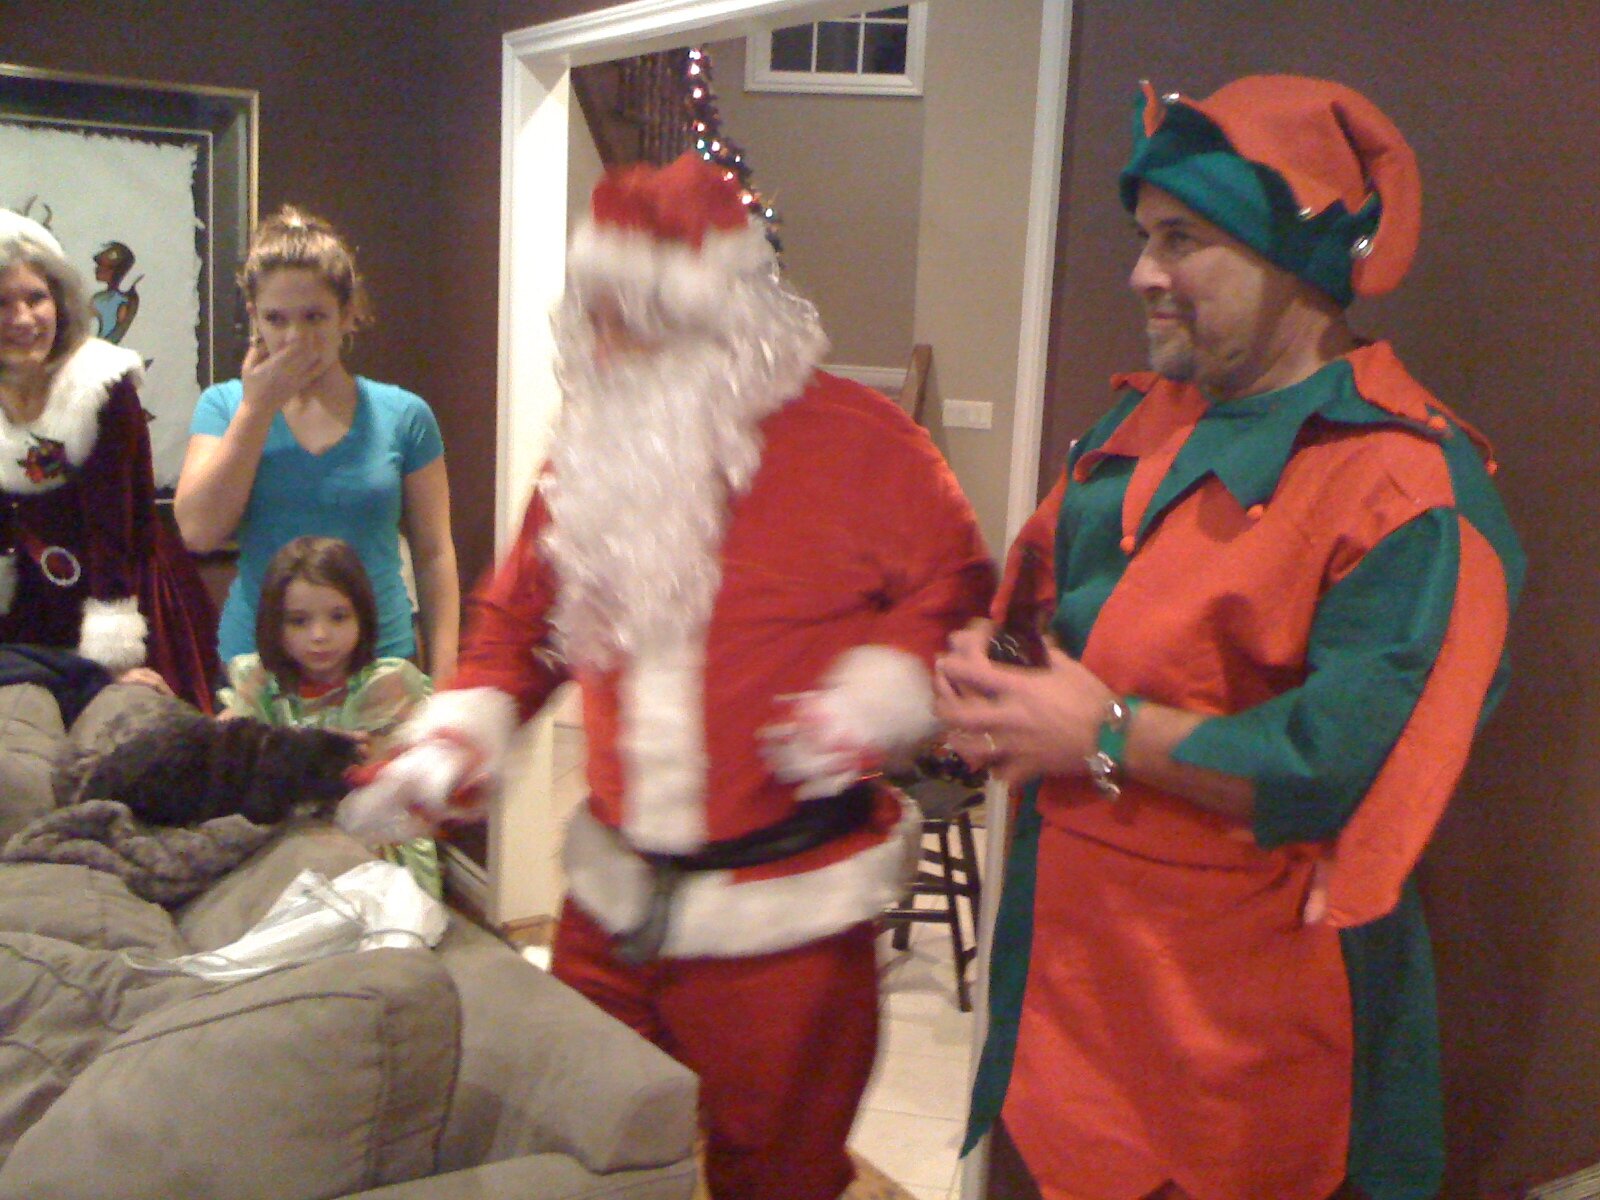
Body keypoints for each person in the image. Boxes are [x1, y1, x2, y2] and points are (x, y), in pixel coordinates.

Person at [338, 153, 995, 1200]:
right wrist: (459, 732)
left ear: (722, 321)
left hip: (785, 922)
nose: (606, 348)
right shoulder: (592, 455)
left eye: (635, 320)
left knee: (776, 1177)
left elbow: (954, 595)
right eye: (595, 318)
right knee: (587, 1154)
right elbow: (523, 622)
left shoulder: (866, 445)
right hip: (609, 905)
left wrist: (878, 697)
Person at [935, 76, 1526, 1200]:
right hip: (1067, 1010)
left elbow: (1340, 765)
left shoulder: (1409, 491)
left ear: (1293, 262)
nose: (1141, 273)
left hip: (1238, 1051)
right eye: (1143, 237)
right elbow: (1043, 622)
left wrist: (1102, 732)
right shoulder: (1138, 425)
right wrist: (982, 694)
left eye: (1183, 239)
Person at [173, 206, 459, 680]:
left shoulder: (405, 415)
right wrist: (256, 409)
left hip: (381, 666)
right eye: (276, 318)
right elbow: (199, 531)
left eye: (314, 317)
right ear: (254, 318)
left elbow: (434, 554)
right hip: (260, 668)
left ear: (347, 315)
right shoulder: (224, 407)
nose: (295, 337)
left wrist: (447, 675)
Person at [0, 210, 219, 709]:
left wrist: (113, 657)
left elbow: (115, 526)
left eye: (36, 298)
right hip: (30, 611)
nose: (23, 319)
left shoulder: (102, 384)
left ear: (59, 301)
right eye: (1, 303)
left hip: (122, 597)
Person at [218, 534, 438, 895]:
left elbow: (386, 788)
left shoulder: (387, 682)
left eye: (338, 617)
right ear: (275, 624)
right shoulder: (262, 679)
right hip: (288, 840)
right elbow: (224, 744)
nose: (319, 635)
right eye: (298, 621)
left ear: (362, 616)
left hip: (374, 846)